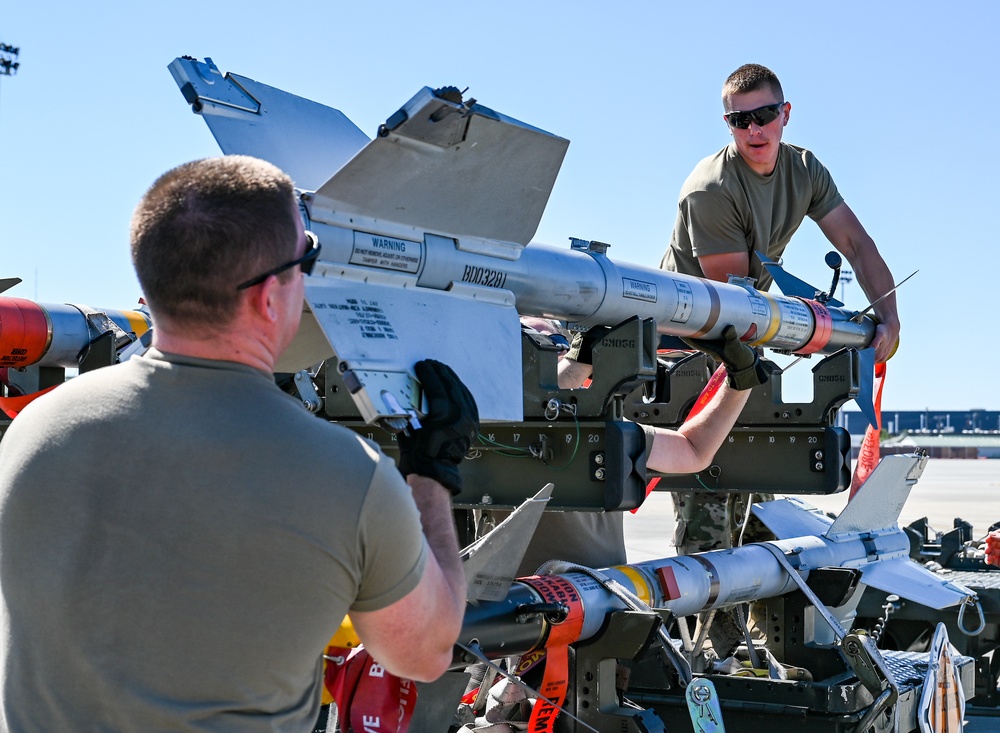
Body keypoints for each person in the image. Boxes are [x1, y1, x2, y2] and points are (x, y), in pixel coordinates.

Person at [0, 156, 476, 732]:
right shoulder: (347, 477)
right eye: (308, 262)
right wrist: (432, 476)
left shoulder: (34, 429)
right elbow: (422, 653)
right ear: (269, 297)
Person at [660, 62, 902, 555]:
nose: (754, 129)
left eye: (764, 115)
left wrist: (889, 317)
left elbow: (856, 243)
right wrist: (802, 324)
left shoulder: (803, 169)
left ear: (785, 113)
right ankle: (711, 631)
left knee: (759, 499)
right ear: (726, 124)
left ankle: (757, 623)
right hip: (687, 348)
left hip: (744, 343)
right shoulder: (712, 188)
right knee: (710, 499)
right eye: (738, 120)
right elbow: (729, 300)